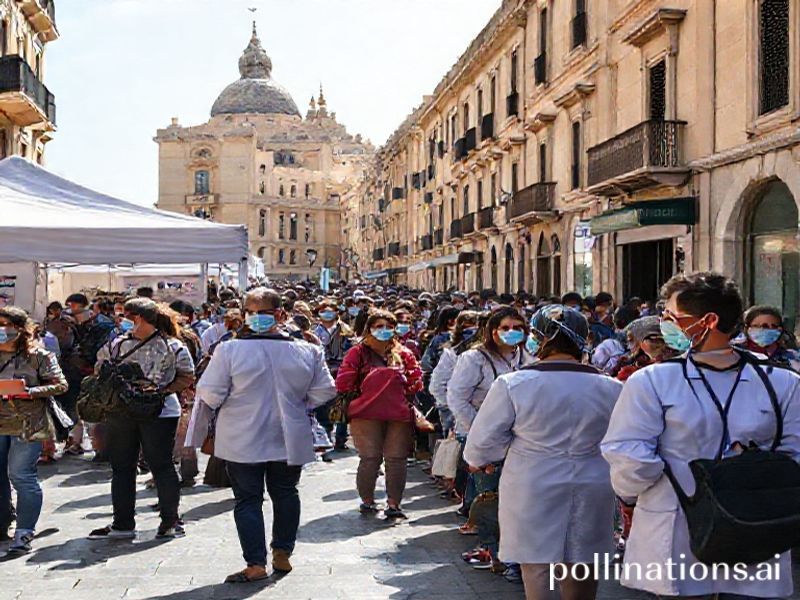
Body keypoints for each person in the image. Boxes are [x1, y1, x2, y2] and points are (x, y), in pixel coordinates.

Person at [602, 272, 800, 598]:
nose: (664, 325)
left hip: (679, 527)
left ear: (708, 320)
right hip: (756, 526)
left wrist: (631, 493)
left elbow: (629, 456)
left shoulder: (653, 381)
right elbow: (792, 456)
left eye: (671, 318)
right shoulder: (781, 381)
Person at [465, 305, 622, 599]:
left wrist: (484, 461)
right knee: (581, 565)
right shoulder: (611, 387)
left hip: (532, 484)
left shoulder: (514, 384)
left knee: (537, 566)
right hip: (593, 482)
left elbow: (481, 445)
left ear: (541, 339)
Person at [194, 288, 336, 583]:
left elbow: (209, 392)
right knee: (285, 492)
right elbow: (325, 390)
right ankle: (282, 551)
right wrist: (298, 403)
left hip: (241, 435)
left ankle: (255, 563)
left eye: (260, 312)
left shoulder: (229, 350)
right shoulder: (308, 350)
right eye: (252, 313)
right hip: (288, 432)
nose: (256, 318)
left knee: (247, 499)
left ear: (280, 315)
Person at [88, 299, 195, 541]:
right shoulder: (119, 343)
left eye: (125, 315)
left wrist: (159, 391)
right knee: (124, 467)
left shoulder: (172, 346)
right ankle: (124, 522)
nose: (122, 320)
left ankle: (169, 521)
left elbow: (187, 376)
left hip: (158, 411)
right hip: (126, 412)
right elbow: (99, 369)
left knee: (159, 466)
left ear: (137, 318)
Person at [335, 310, 423, 519]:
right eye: (378, 326)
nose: (383, 331)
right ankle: (367, 501)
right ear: (369, 329)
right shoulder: (357, 353)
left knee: (396, 459)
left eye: (388, 326)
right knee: (370, 458)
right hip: (366, 414)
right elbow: (343, 382)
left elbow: (416, 380)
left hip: (398, 414)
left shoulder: (404, 353)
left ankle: (394, 504)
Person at [0, 307, 68, 553]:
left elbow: (60, 385)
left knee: (21, 475)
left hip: (28, 424)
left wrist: (30, 392)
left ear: (19, 328)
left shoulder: (39, 356)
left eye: (6, 324)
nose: (2, 329)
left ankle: (24, 531)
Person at [430, 311, 480, 439]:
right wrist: (453, 407)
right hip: (455, 420)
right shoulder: (452, 354)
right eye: (466, 330)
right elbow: (437, 386)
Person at [313, 300, 353, 452]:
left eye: (331, 310)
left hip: (343, 373)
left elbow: (350, 351)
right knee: (323, 407)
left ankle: (341, 439)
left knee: (342, 407)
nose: (327, 313)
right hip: (322, 374)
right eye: (324, 310)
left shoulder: (345, 331)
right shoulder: (315, 332)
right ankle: (325, 437)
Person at [735, 305, 800, 371]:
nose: (763, 330)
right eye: (756, 326)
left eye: (772, 326)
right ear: (746, 329)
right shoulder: (736, 357)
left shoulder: (793, 358)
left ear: (780, 329)